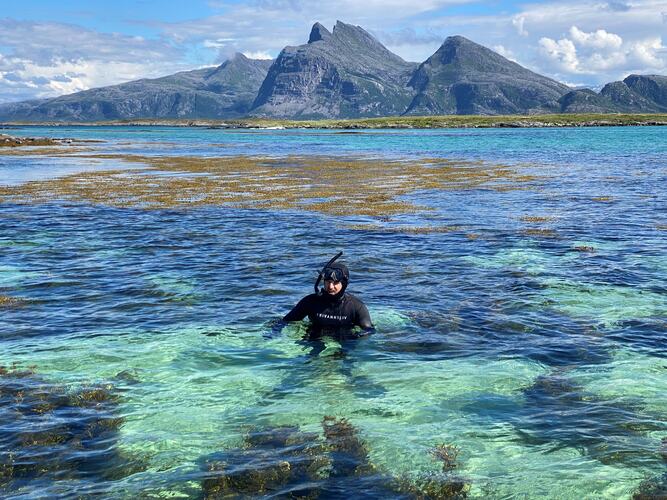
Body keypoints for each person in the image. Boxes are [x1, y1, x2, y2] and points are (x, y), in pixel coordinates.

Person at [274, 258, 374, 338]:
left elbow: (369, 330)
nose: (330, 286)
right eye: (327, 281)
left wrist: (358, 335)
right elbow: (286, 321)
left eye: (335, 283)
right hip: (316, 337)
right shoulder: (310, 301)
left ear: (344, 284)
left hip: (345, 339)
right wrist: (273, 332)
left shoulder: (355, 306)